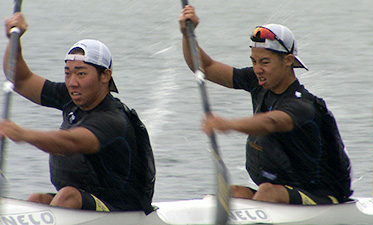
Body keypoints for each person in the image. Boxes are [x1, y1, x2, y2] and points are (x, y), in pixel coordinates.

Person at [179, 5, 352, 205]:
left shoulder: (303, 104)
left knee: (267, 193)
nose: (258, 69)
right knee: (230, 193)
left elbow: (271, 122)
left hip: (323, 194)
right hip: (279, 188)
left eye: (265, 62)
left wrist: (228, 124)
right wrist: (187, 35)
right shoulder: (257, 83)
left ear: (288, 60)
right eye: (253, 62)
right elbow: (205, 67)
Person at [1, 13, 155, 213]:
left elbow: (70, 143)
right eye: (68, 73)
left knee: (68, 196)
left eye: (81, 73)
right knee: (36, 199)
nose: (72, 82)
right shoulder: (71, 96)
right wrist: (15, 39)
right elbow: (20, 80)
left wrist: (23, 134)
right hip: (82, 199)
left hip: (120, 208)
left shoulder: (113, 119)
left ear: (105, 76)